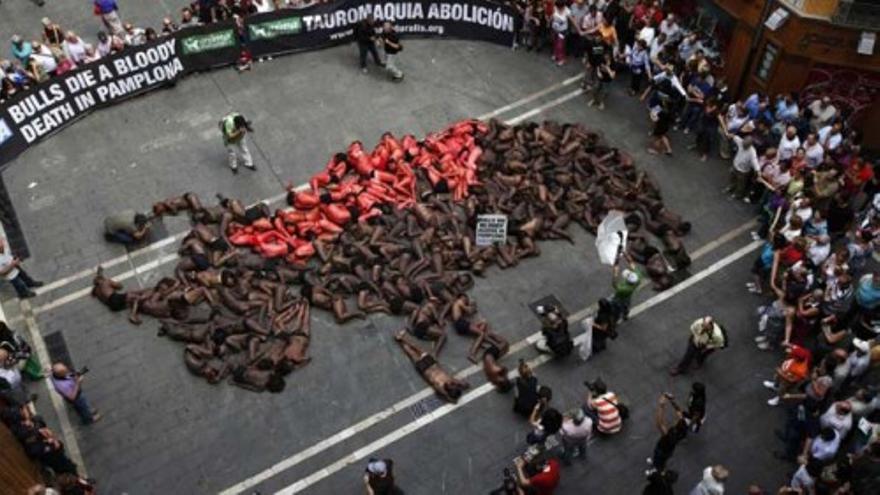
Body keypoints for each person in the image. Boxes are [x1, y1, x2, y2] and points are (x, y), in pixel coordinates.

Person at [394, 331, 468, 403]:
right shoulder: (448, 382)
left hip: (426, 367)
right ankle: (401, 339)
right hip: (428, 366)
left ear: (450, 390)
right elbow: (463, 384)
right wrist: (460, 388)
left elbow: (452, 391)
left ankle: (400, 339)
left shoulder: (442, 386)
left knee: (412, 351)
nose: (455, 385)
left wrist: (451, 397)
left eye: (454, 387)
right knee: (414, 350)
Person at [647, 393, 689, 475]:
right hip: (668, 451)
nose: (675, 420)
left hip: (662, 450)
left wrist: (661, 406)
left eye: (676, 421)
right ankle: (655, 463)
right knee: (659, 458)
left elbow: (660, 423)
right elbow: (679, 411)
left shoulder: (670, 435)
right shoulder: (682, 427)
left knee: (660, 460)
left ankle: (657, 469)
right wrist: (671, 400)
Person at [611, 252, 641, 320]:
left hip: (620, 297)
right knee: (626, 306)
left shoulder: (624, 289)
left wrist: (615, 273)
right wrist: (626, 254)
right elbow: (631, 262)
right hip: (627, 297)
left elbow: (614, 285)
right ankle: (625, 315)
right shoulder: (638, 276)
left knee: (616, 307)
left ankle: (616, 317)